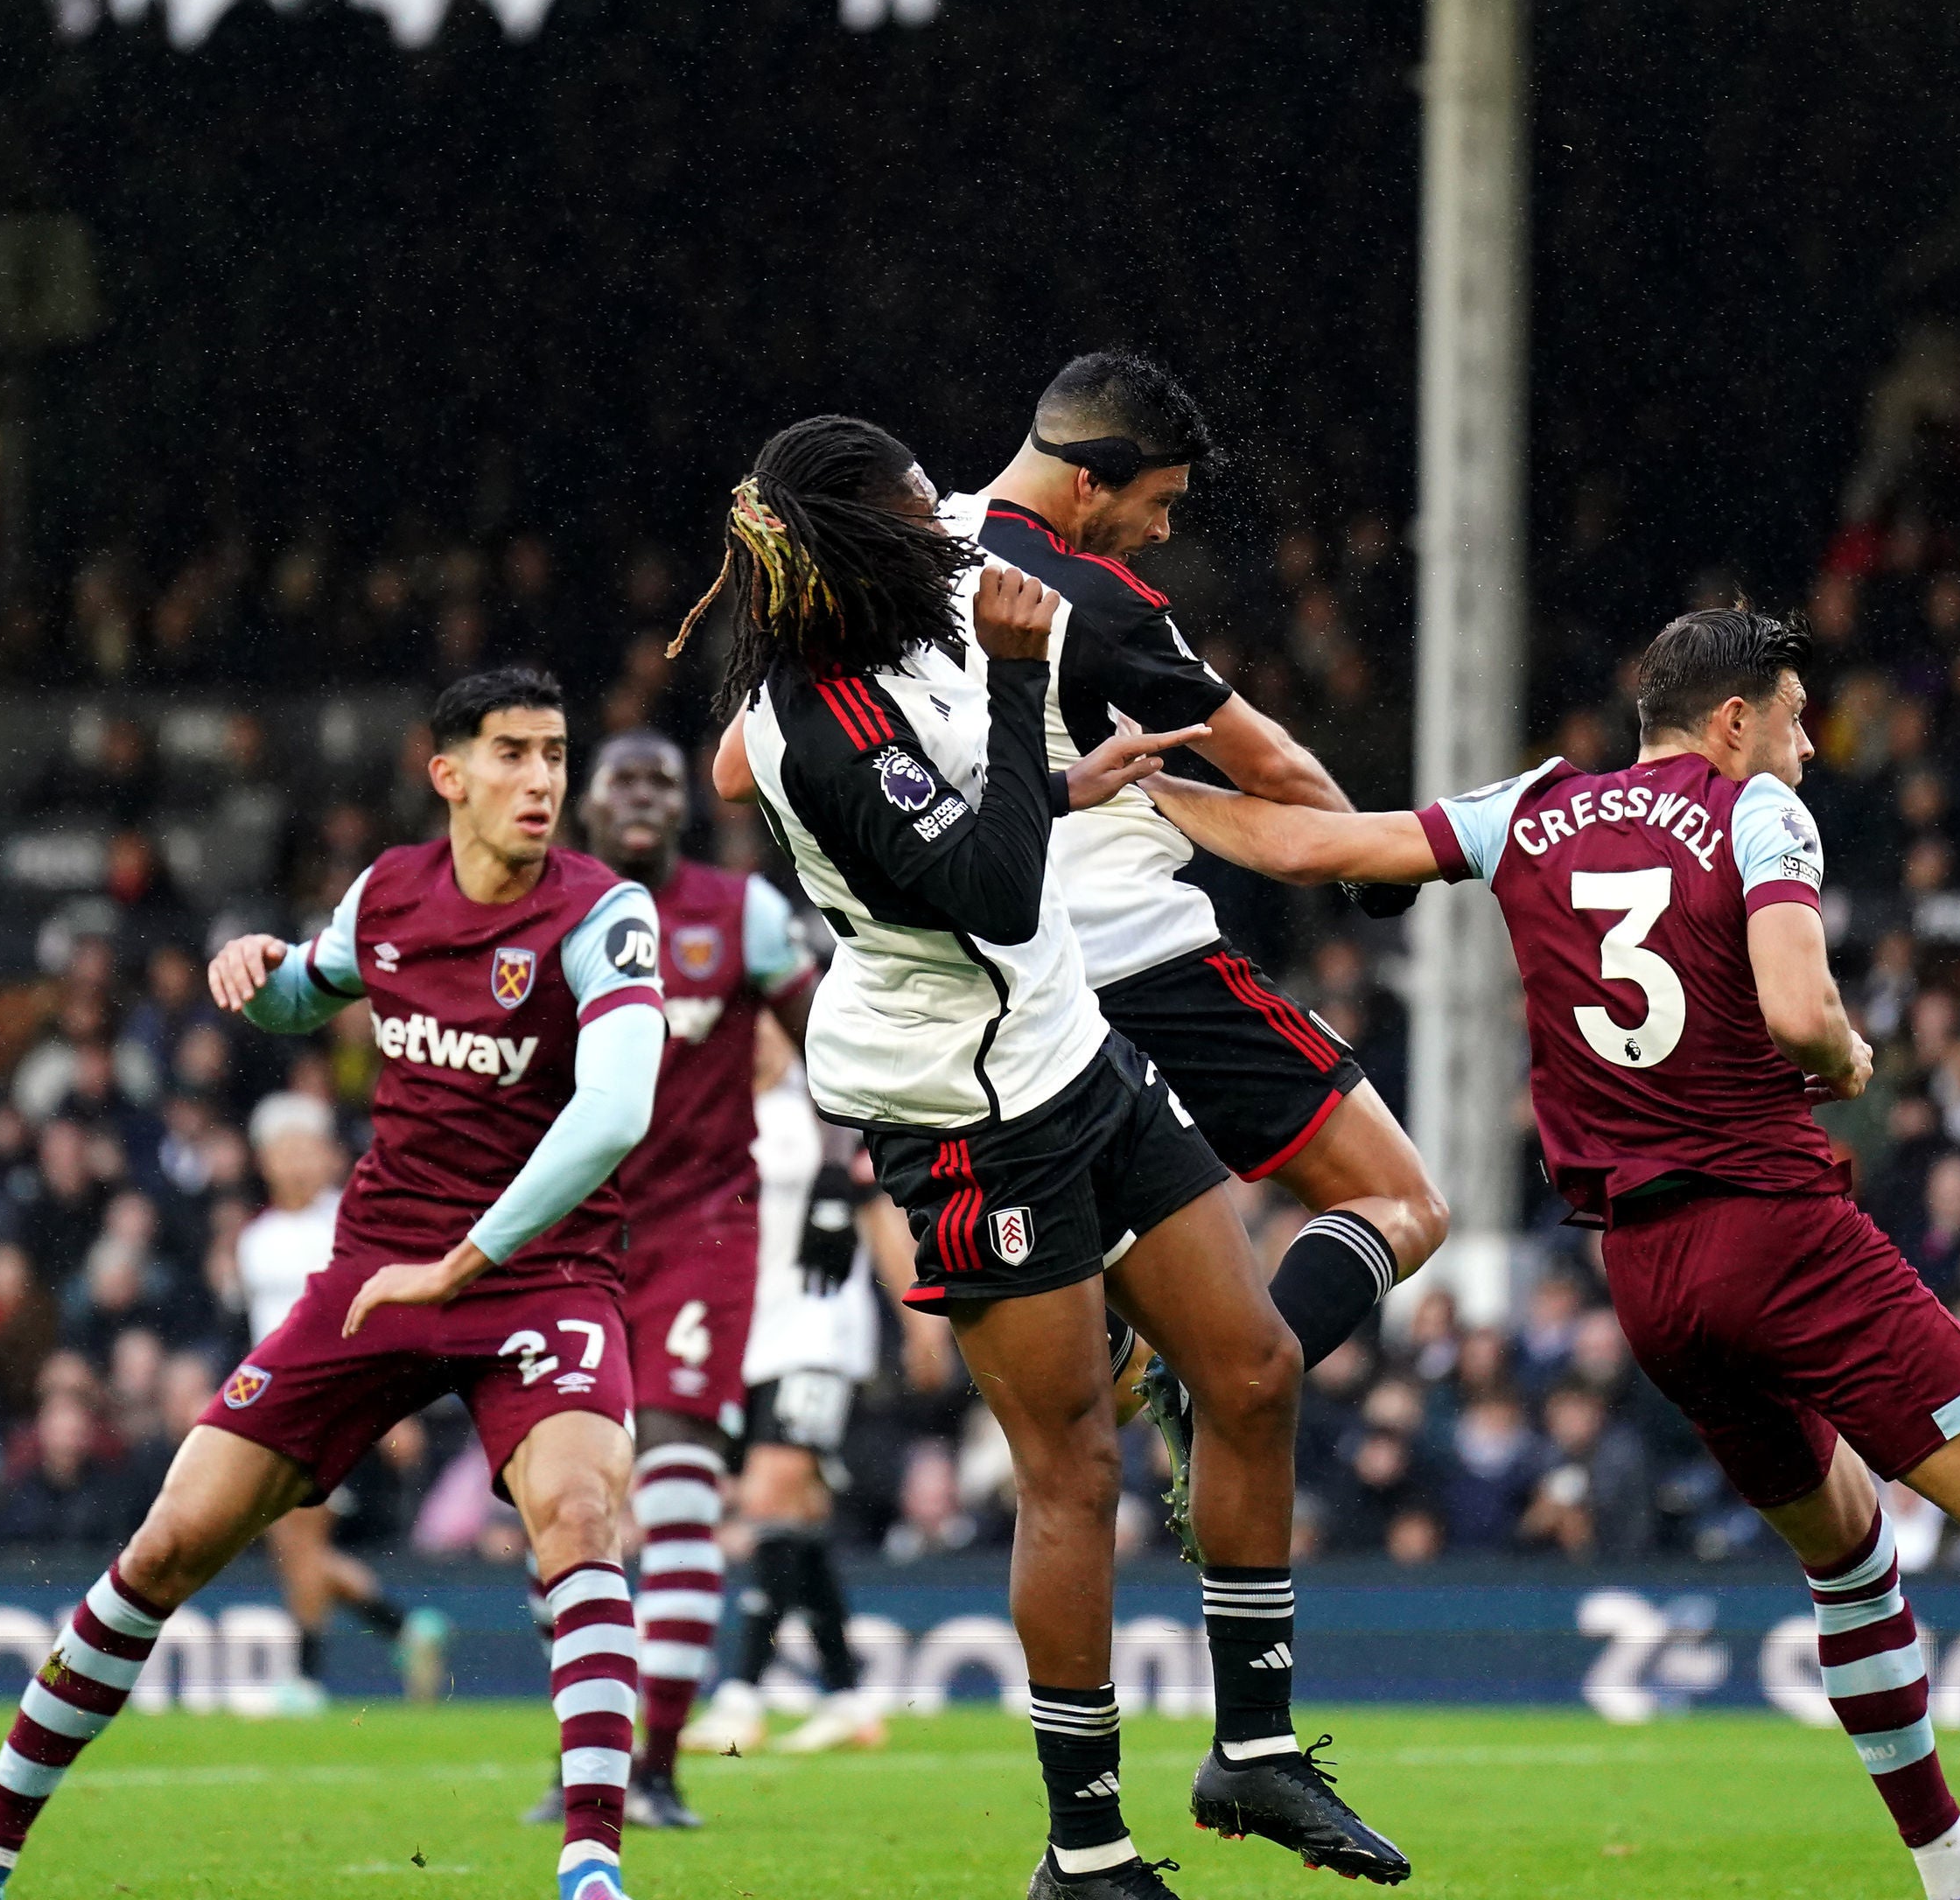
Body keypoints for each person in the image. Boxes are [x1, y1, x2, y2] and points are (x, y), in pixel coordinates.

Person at [1138, 604, 1960, 1900]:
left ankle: (1953, 1865)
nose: (1810, 746)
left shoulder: (1532, 809)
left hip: (1649, 1281)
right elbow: (1797, 1008)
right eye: (1791, 716)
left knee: (1848, 1551)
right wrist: (1845, 1058)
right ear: (1732, 724)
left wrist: (1143, 795)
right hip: (1775, 1226)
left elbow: (1317, 841)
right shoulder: (1755, 813)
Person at [691, 416, 1403, 1899]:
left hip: (1074, 1051)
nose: (944, 524)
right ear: (855, 541)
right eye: (910, 507)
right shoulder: (815, 715)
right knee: (1070, 1463)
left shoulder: (897, 641)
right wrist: (1021, 692)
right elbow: (991, 882)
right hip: (962, 1117)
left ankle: (1255, 1747)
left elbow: (981, 819)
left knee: (1256, 1364)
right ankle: (1086, 1848)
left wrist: (1057, 778)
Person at [0, 666, 668, 1900]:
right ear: (449, 775)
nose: (542, 782)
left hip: (539, 1275)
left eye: (556, 756)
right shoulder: (390, 895)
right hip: (376, 1273)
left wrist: (468, 1261)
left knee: (579, 1516)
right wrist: (256, 971)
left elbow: (618, 1109)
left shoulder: (602, 913)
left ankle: (590, 1872)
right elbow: (305, 993)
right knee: (167, 1545)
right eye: (514, 755)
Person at [925, 354, 1452, 1527]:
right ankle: (1204, 1385)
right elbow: (1275, 768)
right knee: (1403, 1204)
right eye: (1156, 503)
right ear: (1085, 483)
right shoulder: (1092, 601)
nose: (1161, 533)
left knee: (1063, 1454)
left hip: (976, 1004)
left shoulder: (902, 558)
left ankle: (1140, 1367)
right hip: (1138, 956)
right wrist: (1367, 868)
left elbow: (747, 765)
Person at [515, 729, 818, 1829]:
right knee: (569, 1501)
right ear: (584, 806)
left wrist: (838, 1179)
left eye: (661, 782)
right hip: (568, 1238)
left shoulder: (739, 911)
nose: (642, 797)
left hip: (701, 1228)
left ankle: (660, 1761)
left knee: (681, 1477)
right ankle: (589, 1758)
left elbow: (826, 1041)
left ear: (684, 807)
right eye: (621, 780)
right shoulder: (539, 911)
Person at [685, 1014, 915, 1757]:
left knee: (767, 1497)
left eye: (766, 1025)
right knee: (802, 1521)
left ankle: (741, 1695)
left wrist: (918, 1316)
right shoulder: (711, 1119)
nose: (753, 1039)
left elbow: (874, 1204)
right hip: (743, 1342)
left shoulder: (817, 1116)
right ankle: (848, 1696)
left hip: (817, 1333)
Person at [232, 1090, 441, 1711]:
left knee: (299, 1539)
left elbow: (380, 1320)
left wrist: (390, 1410)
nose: (294, 1162)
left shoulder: (343, 1227)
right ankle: (403, 1628)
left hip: (335, 1402)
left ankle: (306, 1678)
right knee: (296, 1548)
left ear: (327, 1157)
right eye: (281, 1151)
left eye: (305, 1148)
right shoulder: (255, 1239)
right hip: (275, 1406)